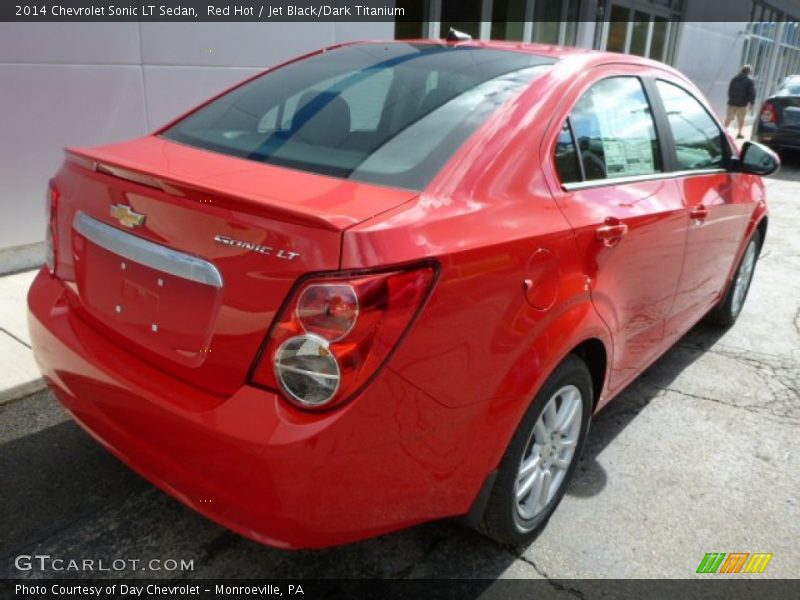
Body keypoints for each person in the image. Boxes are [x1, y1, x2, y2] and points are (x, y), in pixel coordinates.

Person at [725, 65, 756, 139]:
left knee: (729, 118)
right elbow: (752, 93)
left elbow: (730, 91)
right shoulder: (749, 81)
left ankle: (724, 131)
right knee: (741, 120)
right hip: (742, 104)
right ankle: (739, 133)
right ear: (749, 72)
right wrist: (751, 103)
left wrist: (731, 98)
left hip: (732, 102)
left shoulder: (734, 79)